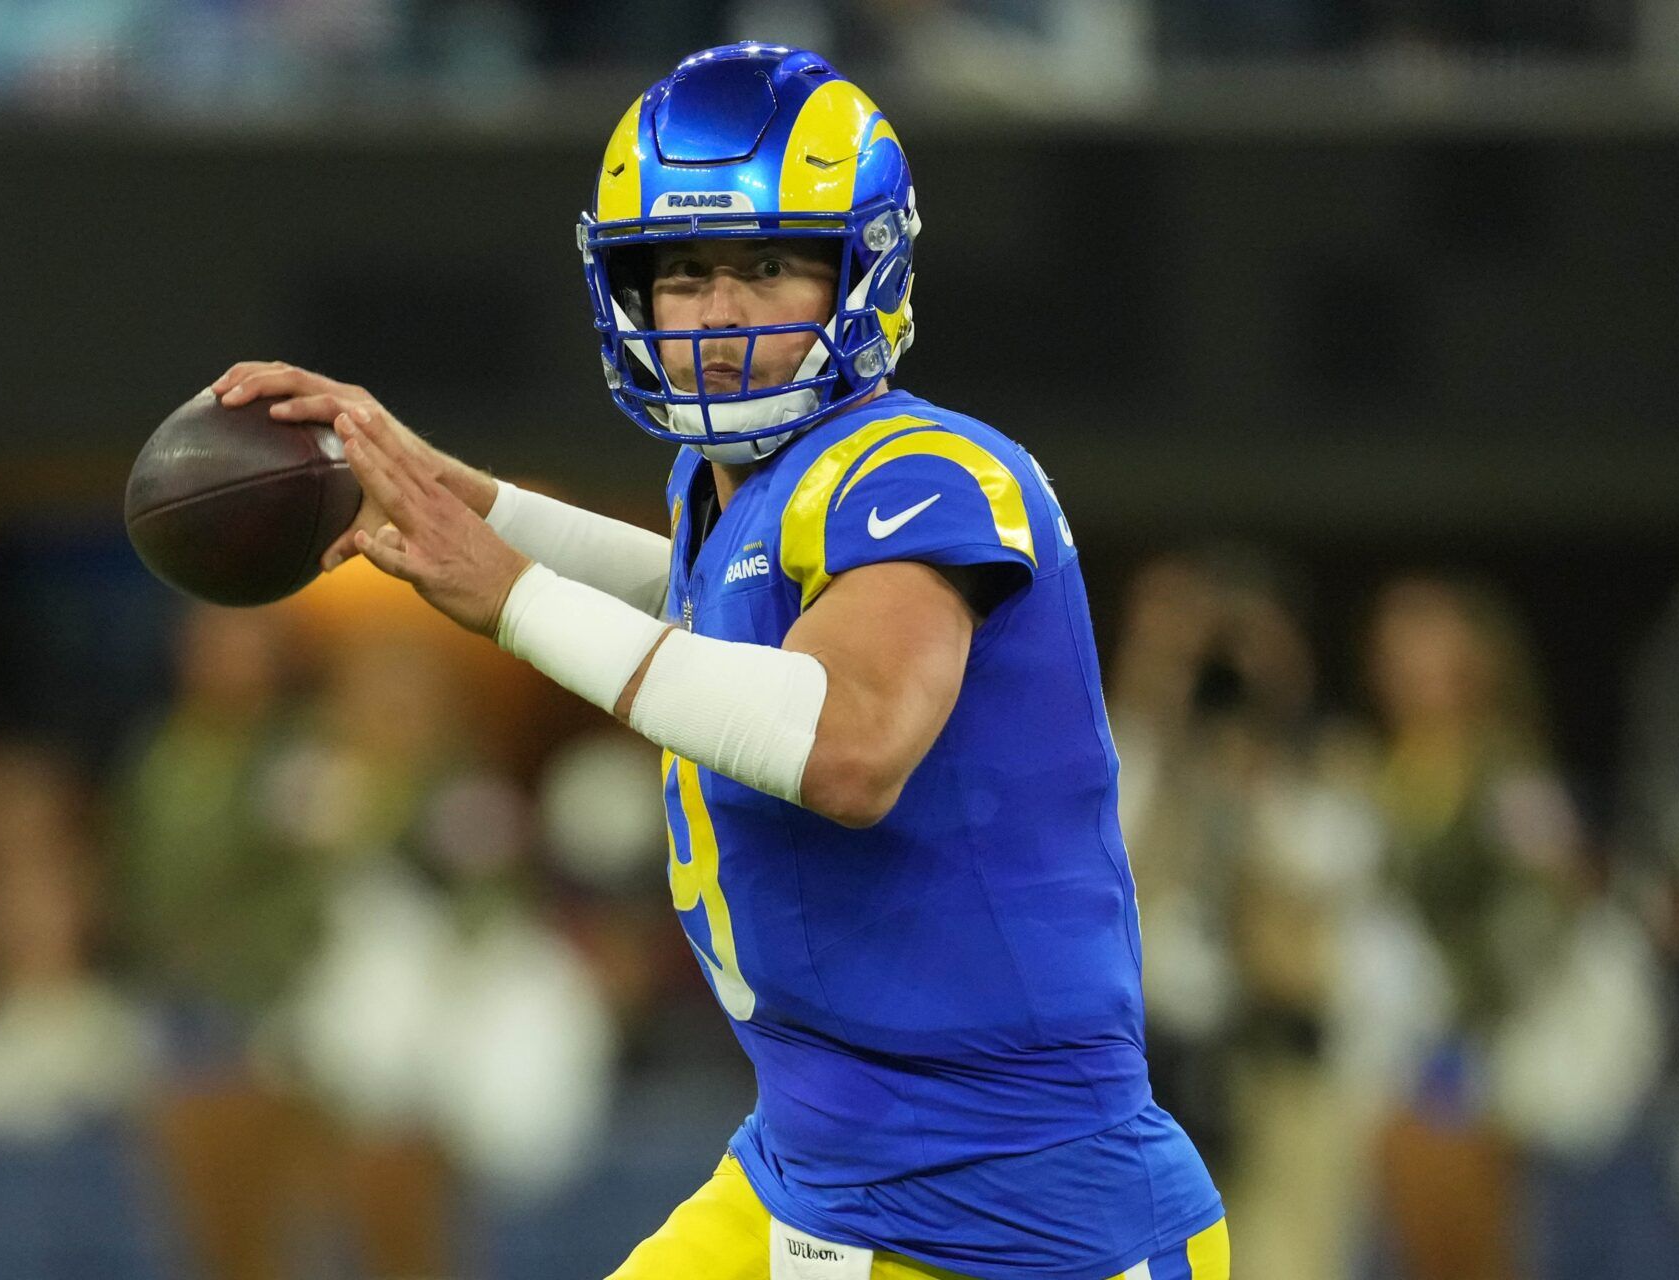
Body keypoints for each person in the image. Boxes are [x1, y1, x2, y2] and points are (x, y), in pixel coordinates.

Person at [203, 42, 1226, 1280]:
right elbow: (701, 607)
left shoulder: (924, 472)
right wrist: (449, 493)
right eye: (683, 272)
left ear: (864, 268)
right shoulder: (733, 487)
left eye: (768, 265)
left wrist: (514, 596)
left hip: (1018, 1217)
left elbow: (847, 742)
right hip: (808, 1170)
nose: (722, 312)